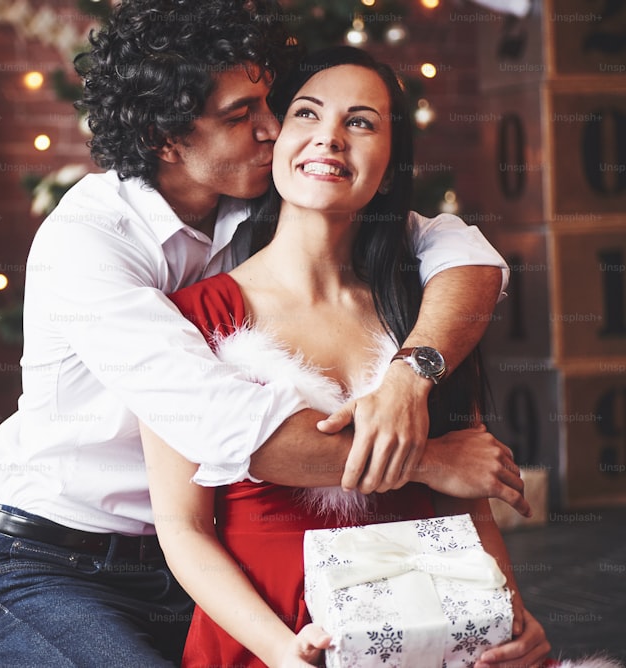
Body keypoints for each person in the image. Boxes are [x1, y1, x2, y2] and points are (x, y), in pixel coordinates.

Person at [0, 1, 529, 665]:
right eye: (241, 115)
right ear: (168, 139)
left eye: (270, 103)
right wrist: (428, 460)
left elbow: (461, 255)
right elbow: (233, 429)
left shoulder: (258, 192)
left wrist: (410, 374)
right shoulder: (88, 243)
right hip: (49, 564)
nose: (274, 129)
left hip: (197, 568)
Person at [141, 46, 549, 668]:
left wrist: (509, 622)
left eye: (361, 122)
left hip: (429, 628)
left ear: (387, 168)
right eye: (308, 114)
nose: (330, 138)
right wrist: (283, 652)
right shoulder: (190, 317)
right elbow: (183, 529)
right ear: (274, 142)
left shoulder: (425, 314)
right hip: (265, 634)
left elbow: (467, 504)